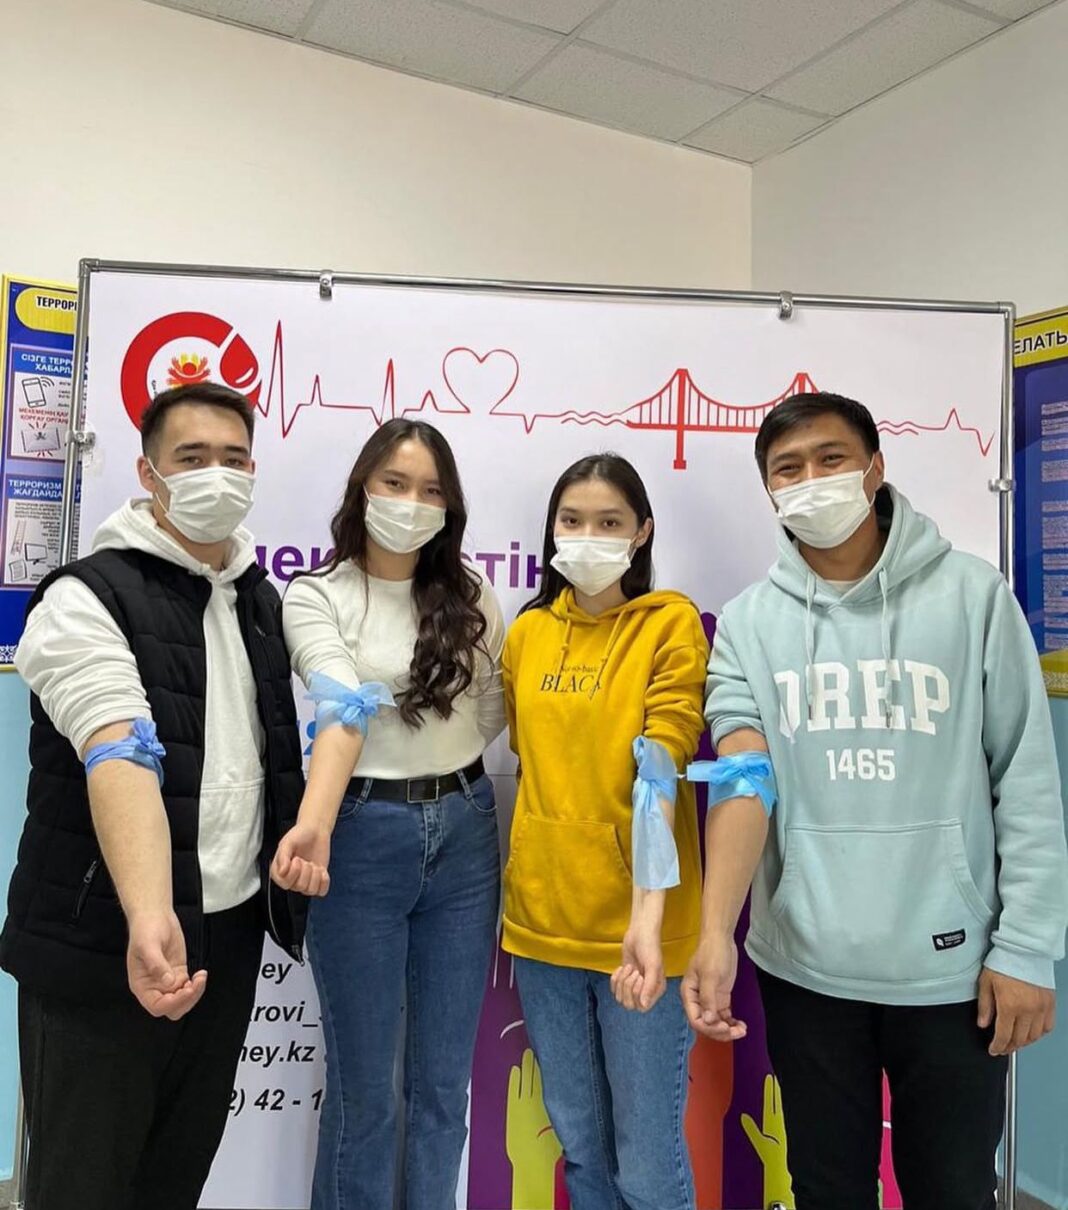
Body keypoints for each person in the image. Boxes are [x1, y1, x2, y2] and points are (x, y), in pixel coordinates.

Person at [684, 391, 1068, 1210]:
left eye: (831, 459)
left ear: (875, 468)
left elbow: (1027, 780)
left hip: (952, 974)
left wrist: (1028, 949)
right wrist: (716, 932)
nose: (811, 480)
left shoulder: (973, 597)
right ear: (769, 490)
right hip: (807, 970)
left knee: (952, 1192)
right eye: (788, 469)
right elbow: (745, 782)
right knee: (827, 1191)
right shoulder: (750, 623)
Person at [0, 382, 306, 1210]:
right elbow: (118, 747)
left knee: (174, 1177)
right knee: (83, 1186)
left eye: (234, 458)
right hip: (104, 941)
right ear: (148, 473)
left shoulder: (258, 601)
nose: (217, 474)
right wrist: (147, 912)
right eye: (192, 457)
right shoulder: (83, 598)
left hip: (224, 940)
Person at [274, 418, 505, 1210]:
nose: (411, 504)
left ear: (451, 508)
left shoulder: (473, 598)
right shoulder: (317, 595)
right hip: (360, 834)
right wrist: (316, 822)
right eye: (396, 484)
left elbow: (491, 710)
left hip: (466, 833)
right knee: (365, 1090)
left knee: (443, 1087)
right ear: (362, 490)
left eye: (431, 491)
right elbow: (342, 705)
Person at [502, 453, 709, 1210]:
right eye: (572, 520)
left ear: (641, 532)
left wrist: (646, 922)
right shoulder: (526, 634)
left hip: (641, 937)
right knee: (582, 1153)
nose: (588, 536)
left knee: (646, 1167)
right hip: (543, 929)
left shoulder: (669, 624)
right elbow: (529, 758)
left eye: (609, 522)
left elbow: (662, 767)